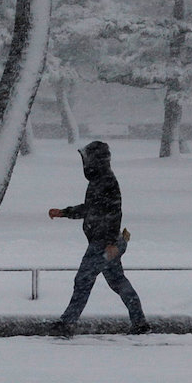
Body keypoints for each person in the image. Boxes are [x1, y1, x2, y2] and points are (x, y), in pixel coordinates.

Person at [47, 140, 149, 336]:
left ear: (96, 160)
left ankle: (67, 324)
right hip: (107, 241)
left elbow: (114, 212)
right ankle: (139, 322)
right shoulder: (100, 180)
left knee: (83, 280)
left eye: (87, 159)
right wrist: (64, 212)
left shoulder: (105, 181)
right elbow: (92, 209)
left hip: (103, 243)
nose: (85, 163)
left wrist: (111, 243)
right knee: (117, 281)